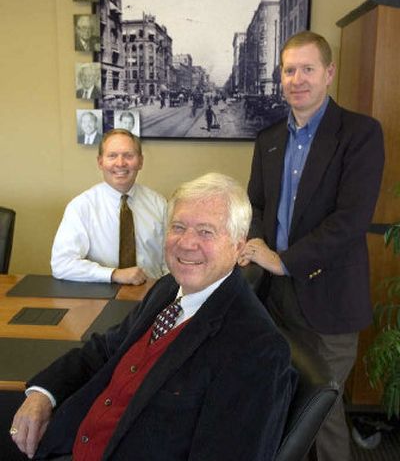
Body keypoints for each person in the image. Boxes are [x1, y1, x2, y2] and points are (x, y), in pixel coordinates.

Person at [10, 172, 297, 460]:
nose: (186, 243)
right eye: (178, 226)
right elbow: (105, 349)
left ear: (237, 247)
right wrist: (42, 393)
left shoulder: (257, 348)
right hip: (63, 440)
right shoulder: (168, 288)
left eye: (205, 232)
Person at [239, 31, 385, 461]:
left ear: (328, 73)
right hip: (274, 297)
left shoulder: (360, 134)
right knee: (283, 400)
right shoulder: (267, 138)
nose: (297, 79)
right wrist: (256, 244)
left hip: (330, 298)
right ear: (280, 76)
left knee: (321, 407)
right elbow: (258, 205)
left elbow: (350, 221)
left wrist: (283, 261)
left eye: (307, 69)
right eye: (289, 70)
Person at [52, 129, 168, 284]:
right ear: (100, 162)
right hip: (100, 296)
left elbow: (171, 260)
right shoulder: (82, 206)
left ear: (140, 161)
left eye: (128, 155)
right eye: (112, 156)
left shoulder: (159, 204)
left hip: (152, 294)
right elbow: (62, 264)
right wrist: (113, 274)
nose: (120, 163)